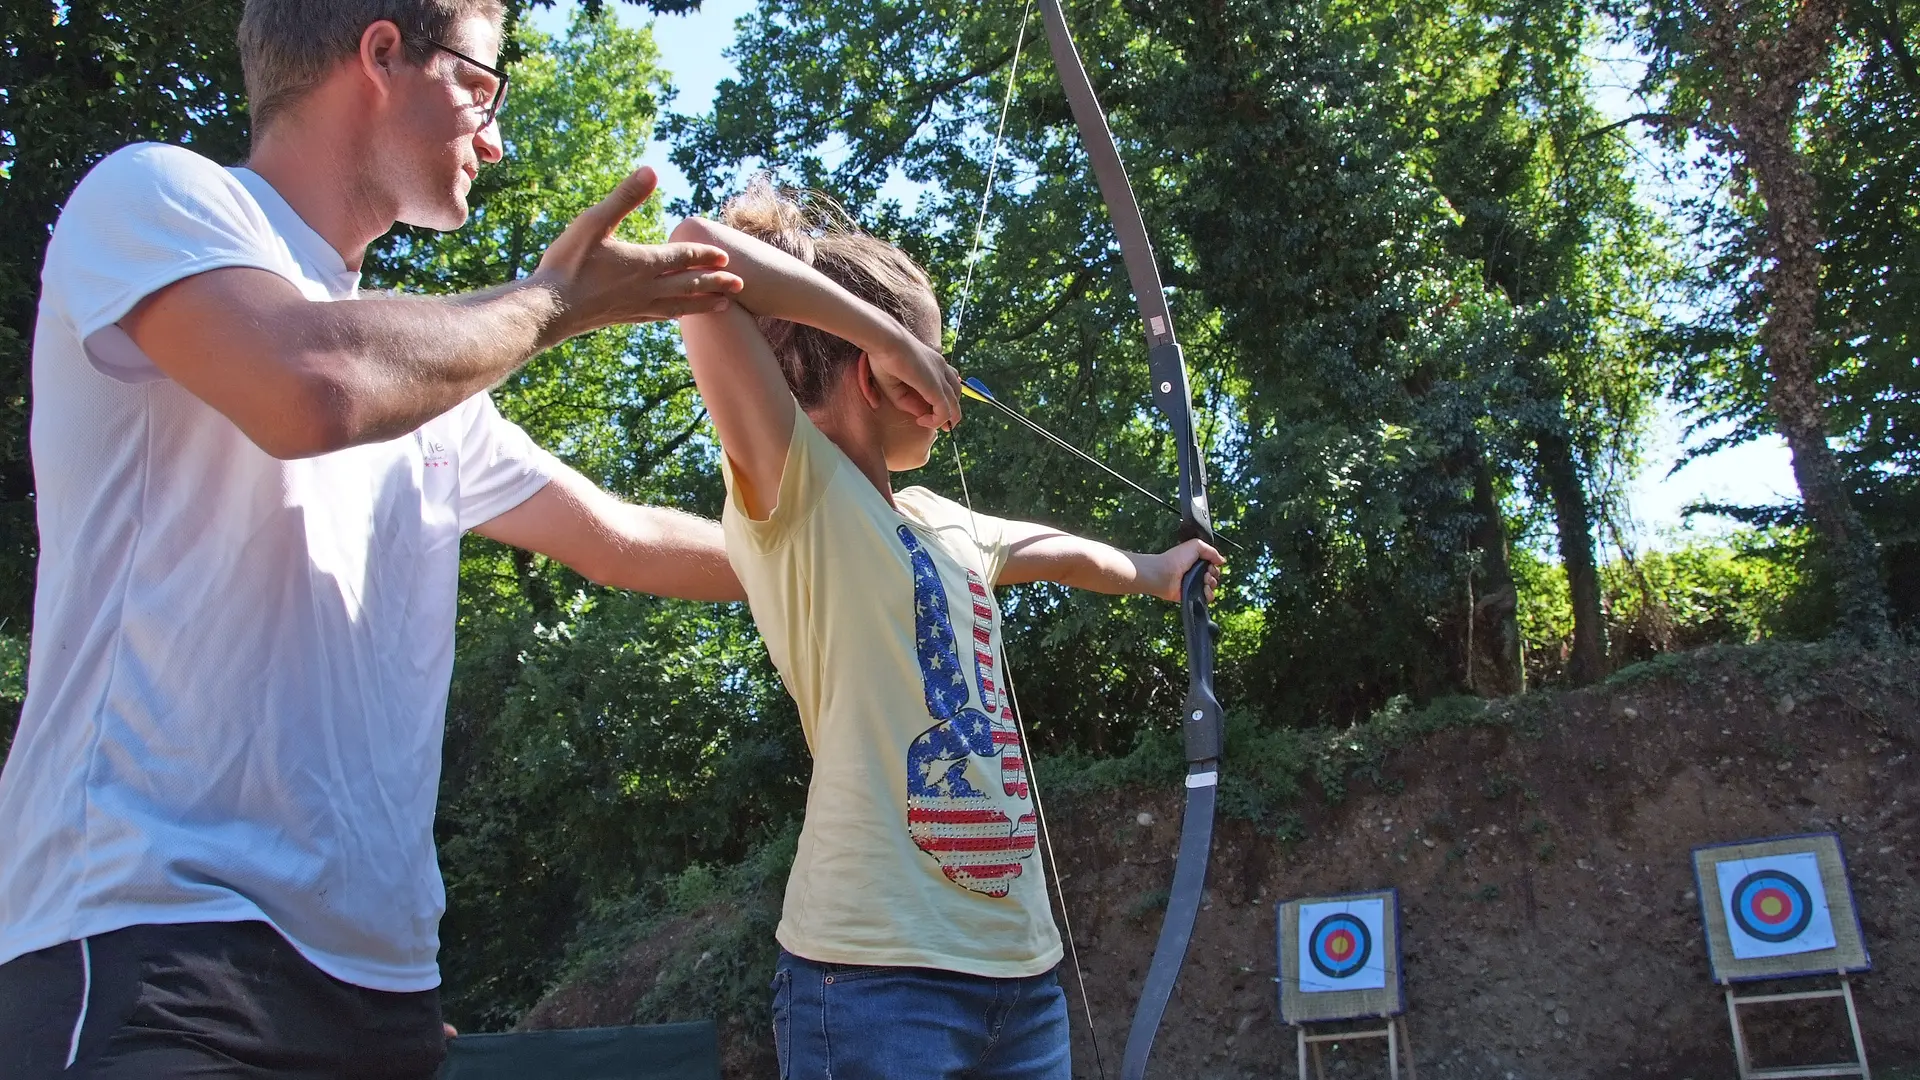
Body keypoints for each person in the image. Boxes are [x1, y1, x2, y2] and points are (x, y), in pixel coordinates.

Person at [0, 3, 960, 1078]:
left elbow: (624, 539)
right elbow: (310, 387)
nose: (494, 137)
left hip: (382, 995)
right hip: (156, 952)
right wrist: (555, 301)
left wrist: (871, 548)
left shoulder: (423, 380)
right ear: (380, 53)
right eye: (481, 84)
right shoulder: (159, 196)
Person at [668, 182, 1222, 1080]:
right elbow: (697, 247)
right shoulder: (796, 489)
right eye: (935, 359)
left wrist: (1159, 572)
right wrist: (892, 336)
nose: (947, 380)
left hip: (1022, 972)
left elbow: (1062, 553)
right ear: (874, 370)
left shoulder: (938, 516)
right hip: (876, 978)